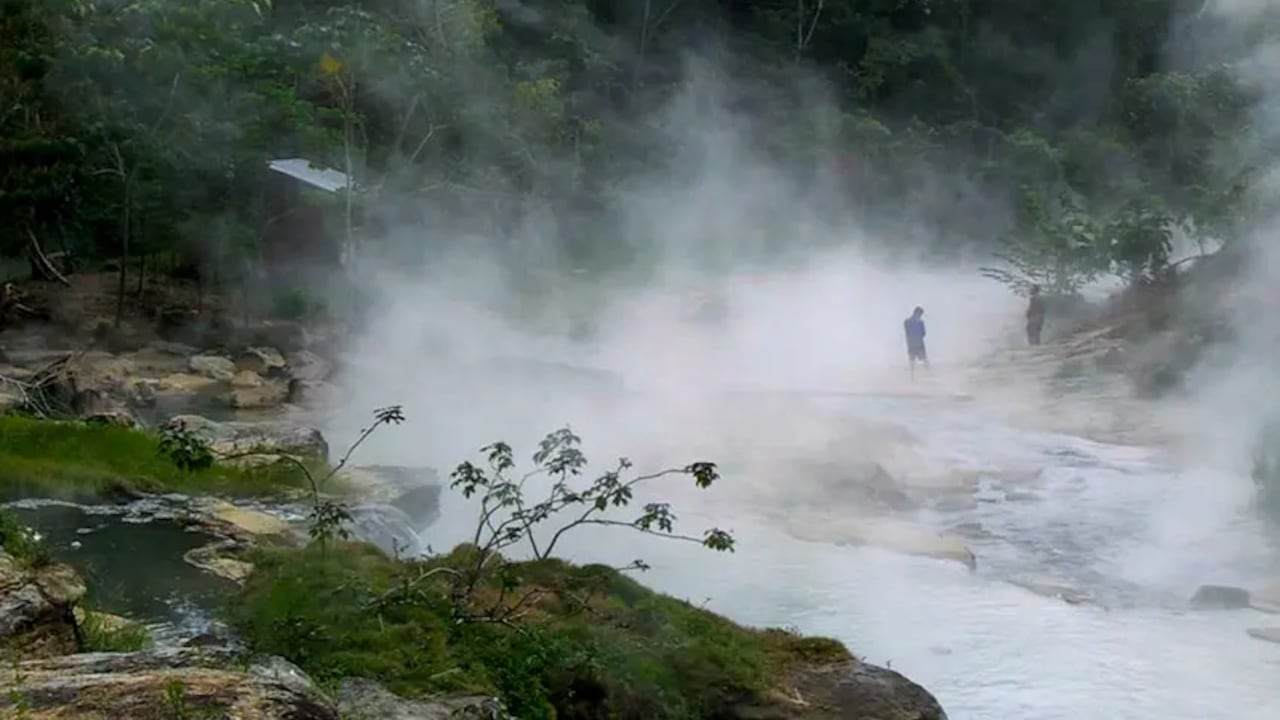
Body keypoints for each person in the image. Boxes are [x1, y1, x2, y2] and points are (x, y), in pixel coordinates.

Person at [903, 306, 929, 379]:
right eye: (920, 314)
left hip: (911, 343)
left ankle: (912, 377)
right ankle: (929, 374)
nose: (921, 316)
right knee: (924, 359)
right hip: (919, 343)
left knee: (912, 361)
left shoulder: (906, 321)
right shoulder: (920, 322)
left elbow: (907, 332)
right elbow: (923, 333)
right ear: (918, 313)